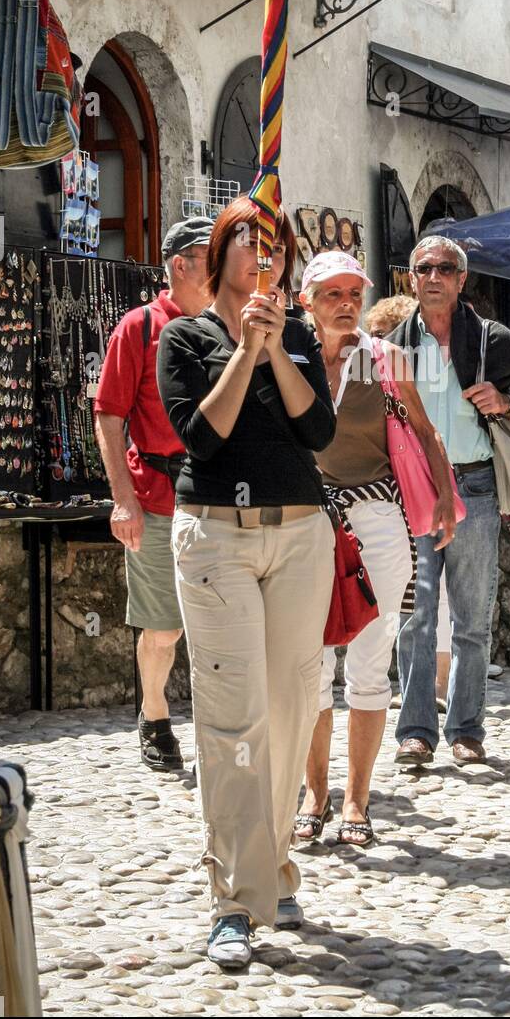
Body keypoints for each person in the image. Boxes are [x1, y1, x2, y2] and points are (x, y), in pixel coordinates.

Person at [157, 198, 337, 969]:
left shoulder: (298, 336)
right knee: (233, 723)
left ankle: (275, 869)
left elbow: (318, 431)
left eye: (276, 245)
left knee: (293, 708)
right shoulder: (183, 337)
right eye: (249, 241)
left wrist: (275, 353)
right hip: (216, 539)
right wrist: (242, 352)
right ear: (221, 254)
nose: (263, 255)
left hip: (299, 534)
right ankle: (234, 897)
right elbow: (200, 434)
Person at [293, 253, 456, 846]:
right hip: (306, 523)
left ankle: (357, 803)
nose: (344, 303)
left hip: (377, 520)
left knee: (368, 662)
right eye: (331, 293)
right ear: (307, 299)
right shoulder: (290, 354)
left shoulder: (384, 357)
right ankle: (315, 794)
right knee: (310, 667)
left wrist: (442, 497)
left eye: (352, 293)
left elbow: (424, 428)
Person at [388, 236, 510, 766]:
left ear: (461, 279)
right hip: (413, 490)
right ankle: (415, 731)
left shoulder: (492, 341)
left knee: (472, 617)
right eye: (423, 267)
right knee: (416, 615)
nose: (433, 275)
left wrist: (504, 401)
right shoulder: (391, 344)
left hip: (473, 485)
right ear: (411, 278)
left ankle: (466, 729)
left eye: (445, 268)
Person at [94, 218, 212, 771]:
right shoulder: (139, 328)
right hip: (157, 494)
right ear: (180, 265)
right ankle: (156, 713)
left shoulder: (227, 326)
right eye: (210, 258)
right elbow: (109, 415)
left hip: (218, 496)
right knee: (163, 626)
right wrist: (123, 499)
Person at [366, 292, 454, 707]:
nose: (378, 343)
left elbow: (428, 431)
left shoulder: (415, 372)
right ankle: (405, 682)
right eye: (374, 334)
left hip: (423, 486)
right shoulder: (370, 371)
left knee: (432, 592)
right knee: (407, 594)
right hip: (386, 487)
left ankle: (435, 685)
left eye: (386, 335)